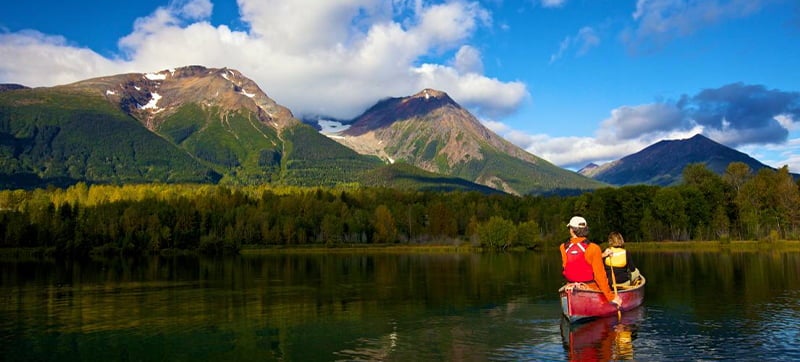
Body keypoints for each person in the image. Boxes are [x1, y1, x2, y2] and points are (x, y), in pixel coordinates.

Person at [560, 216, 621, 307]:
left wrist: (601, 255)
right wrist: (611, 297)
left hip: (571, 286)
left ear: (572, 230)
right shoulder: (594, 248)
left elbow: (568, 267)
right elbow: (600, 276)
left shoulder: (563, 247)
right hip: (590, 287)